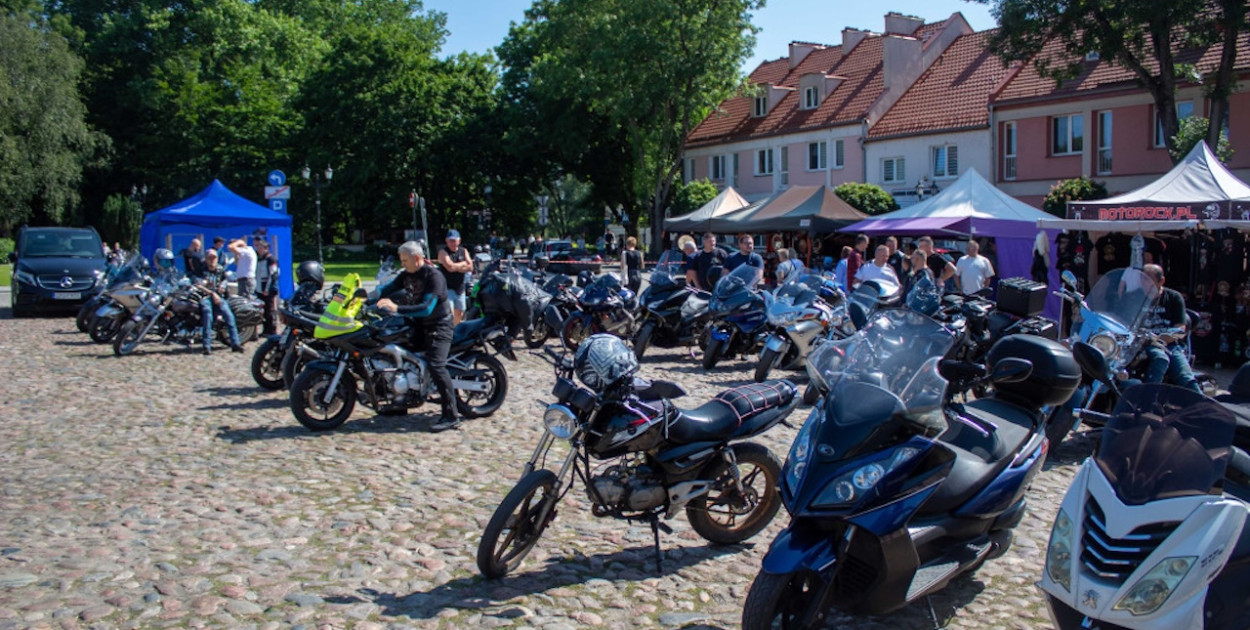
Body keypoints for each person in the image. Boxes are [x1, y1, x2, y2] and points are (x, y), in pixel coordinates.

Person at [376, 241, 461, 431]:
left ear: (416, 258)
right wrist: (362, 296)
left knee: (436, 364)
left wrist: (396, 308)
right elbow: (386, 289)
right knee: (396, 352)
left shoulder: (434, 277)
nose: (402, 264)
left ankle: (451, 415)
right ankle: (400, 402)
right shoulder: (406, 274)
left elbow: (426, 308)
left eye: (405, 260)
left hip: (439, 326)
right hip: (418, 325)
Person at [1140, 264, 1200, 392]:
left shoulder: (1173, 297)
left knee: (1185, 376)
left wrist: (1161, 339)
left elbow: (1180, 330)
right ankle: (1147, 401)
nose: (1143, 282)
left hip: (1169, 344)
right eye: (1142, 278)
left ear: (1161, 281)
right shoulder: (1134, 297)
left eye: (1147, 279)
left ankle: (1205, 407)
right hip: (1141, 343)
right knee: (1159, 358)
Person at [197, 249, 243, 355]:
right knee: (207, 315)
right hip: (205, 297)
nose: (212, 260)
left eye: (214, 258)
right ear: (206, 259)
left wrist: (222, 286)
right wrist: (212, 294)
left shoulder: (220, 270)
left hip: (219, 298)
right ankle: (206, 346)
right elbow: (198, 284)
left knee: (229, 316)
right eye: (210, 258)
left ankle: (235, 343)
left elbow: (225, 281)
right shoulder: (201, 269)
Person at [438, 229, 473, 325]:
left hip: (460, 288)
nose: (452, 243)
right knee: (450, 312)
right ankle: (448, 332)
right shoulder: (443, 252)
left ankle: (455, 331)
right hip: (447, 288)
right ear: (446, 241)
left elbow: (470, 267)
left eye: (454, 240)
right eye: (450, 240)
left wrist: (455, 266)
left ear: (459, 240)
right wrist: (463, 264)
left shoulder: (463, 251)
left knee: (460, 312)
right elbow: (450, 267)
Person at [252, 237, 280, 335]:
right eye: (258, 248)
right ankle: (265, 329)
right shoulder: (258, 258)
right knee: (263, 310)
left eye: (261, 248)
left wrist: (267, 289)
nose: (258, 250)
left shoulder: (271, 259)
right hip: (260, 286)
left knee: (270, 309)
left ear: (266, 248)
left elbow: (273, 275)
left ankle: (272, 330)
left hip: (268, 287)